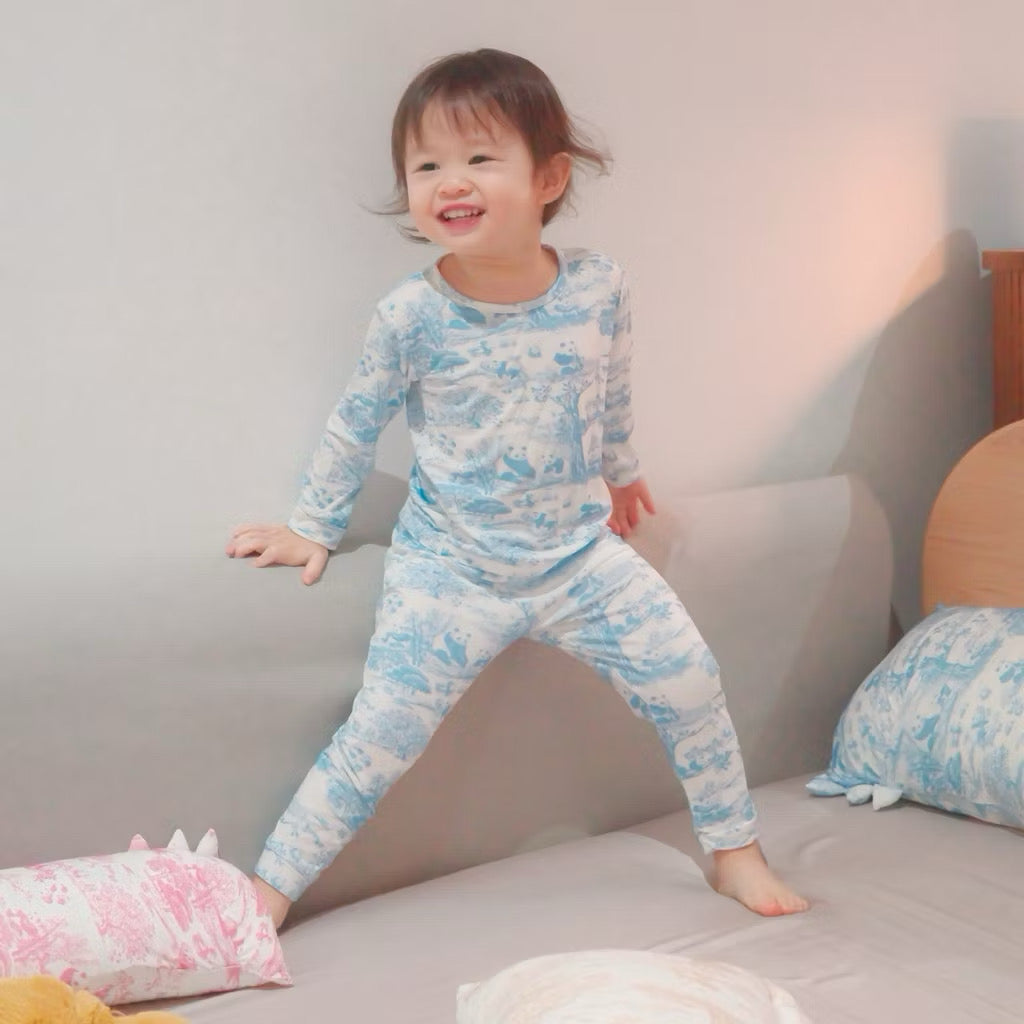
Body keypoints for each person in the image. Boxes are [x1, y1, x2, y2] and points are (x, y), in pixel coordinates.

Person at [226, 48, 808, 930]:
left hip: (577, 558)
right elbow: (355, 422)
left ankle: (735, 853)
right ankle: (267, 893)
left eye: (478, 158)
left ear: (549, 178)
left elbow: (609, 389)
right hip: (450, 569)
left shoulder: (598, 287)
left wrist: (621, 471)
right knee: (379, 732)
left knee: (689, 677)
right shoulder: (411, 315)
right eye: (426, 165)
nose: (449, 182)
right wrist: (313, 526)